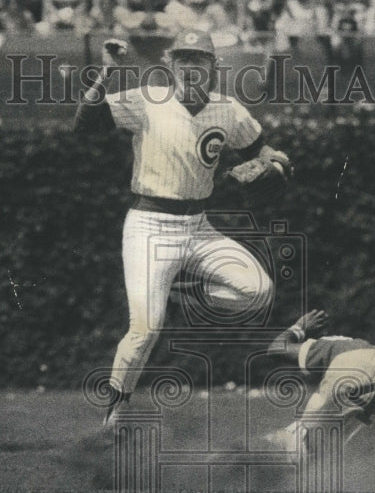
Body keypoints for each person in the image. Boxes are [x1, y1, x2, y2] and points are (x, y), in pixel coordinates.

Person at [73, 30, 293, 428]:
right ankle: (114, 417)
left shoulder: (228, 109)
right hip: (149, 225)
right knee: (143, 331)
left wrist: (273, 157)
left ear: (214, 67)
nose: (191, 67)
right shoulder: (147, 99)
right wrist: (106, 72)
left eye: (200, 59)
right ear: (170, 66)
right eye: (184, 59)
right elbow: (84, 125)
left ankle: (180, 290)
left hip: (198, 227)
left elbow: (257, 147)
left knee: (257, 291)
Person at [263, 290, 375, 475]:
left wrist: (300, 327)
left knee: (241, 452)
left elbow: (276, 349)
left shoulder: (345, 349)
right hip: (356, 477)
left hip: (299, 452)